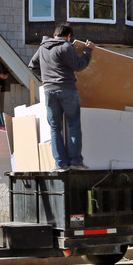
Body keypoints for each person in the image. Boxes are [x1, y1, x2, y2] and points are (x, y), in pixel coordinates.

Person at [28, 23, 95, 172]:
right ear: (69, 36)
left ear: (54, 35)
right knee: (74, 125)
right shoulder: (66, 47)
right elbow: (78, 65)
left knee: (55, 128)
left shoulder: (42, 48)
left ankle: (61, 164)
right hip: (67, 90)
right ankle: (76, 162)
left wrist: (46, 78)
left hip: (49, 92)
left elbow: (32, 66)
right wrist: (88, 51)